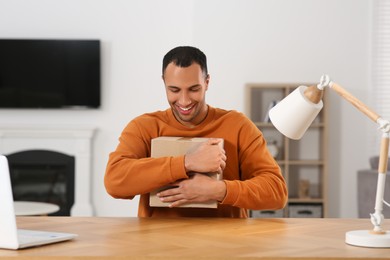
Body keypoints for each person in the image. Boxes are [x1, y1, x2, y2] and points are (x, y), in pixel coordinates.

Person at [104, 46, 287, 218]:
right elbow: (114, 182)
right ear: (164, 83)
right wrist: (187, 163)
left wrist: (217, 190)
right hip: (158, 245)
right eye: (174, 90)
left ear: (207, 82)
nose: (184, 101)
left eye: (194, 89)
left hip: (226, 245)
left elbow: (277, 192)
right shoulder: (144, 127)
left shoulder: (238, 126)